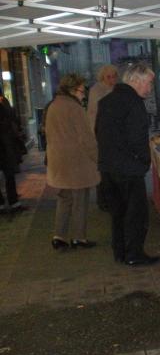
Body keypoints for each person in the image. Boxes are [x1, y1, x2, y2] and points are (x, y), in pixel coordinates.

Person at [96, 62, 158, 266]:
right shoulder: (134, 103)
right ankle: (134, 254)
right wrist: (143, 161)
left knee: (118, 213)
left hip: (108, 166)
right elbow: (137, 138)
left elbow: (99, 133)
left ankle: (120, 251)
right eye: (148, 83)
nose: (150, 88)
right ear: (136, 81)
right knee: (135, 213)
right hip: (129, 168)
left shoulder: (106, 101)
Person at [45, 74, 99, 249]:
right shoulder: (75, 109)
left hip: (58, 161)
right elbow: (86, 138)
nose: (84, 94)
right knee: (80, 199)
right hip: (76, 162)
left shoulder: (53, 106)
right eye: (82, 90)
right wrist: (98, 158)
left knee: (64, 198)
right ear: (72, 90)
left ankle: (58, 236)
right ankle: (79, 237)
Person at [86, 64, 119, 211]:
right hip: (100, 134)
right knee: (103, 168)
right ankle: (103, 200)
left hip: (114, 134)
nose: (112, 79)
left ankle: (113, 197)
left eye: (114, 76)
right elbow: (94, 112)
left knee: (113, 168)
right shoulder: (96, 90)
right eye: (109, 77)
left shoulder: (116, 90)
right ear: (102, 77)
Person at [0, 91, 25, 213]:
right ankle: (9, 203)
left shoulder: (3, 101)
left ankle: (13, 202)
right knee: (9, 174)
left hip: (6, 145)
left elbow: (11, 119)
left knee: (9, 175)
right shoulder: (3, 102)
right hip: (5, 144)